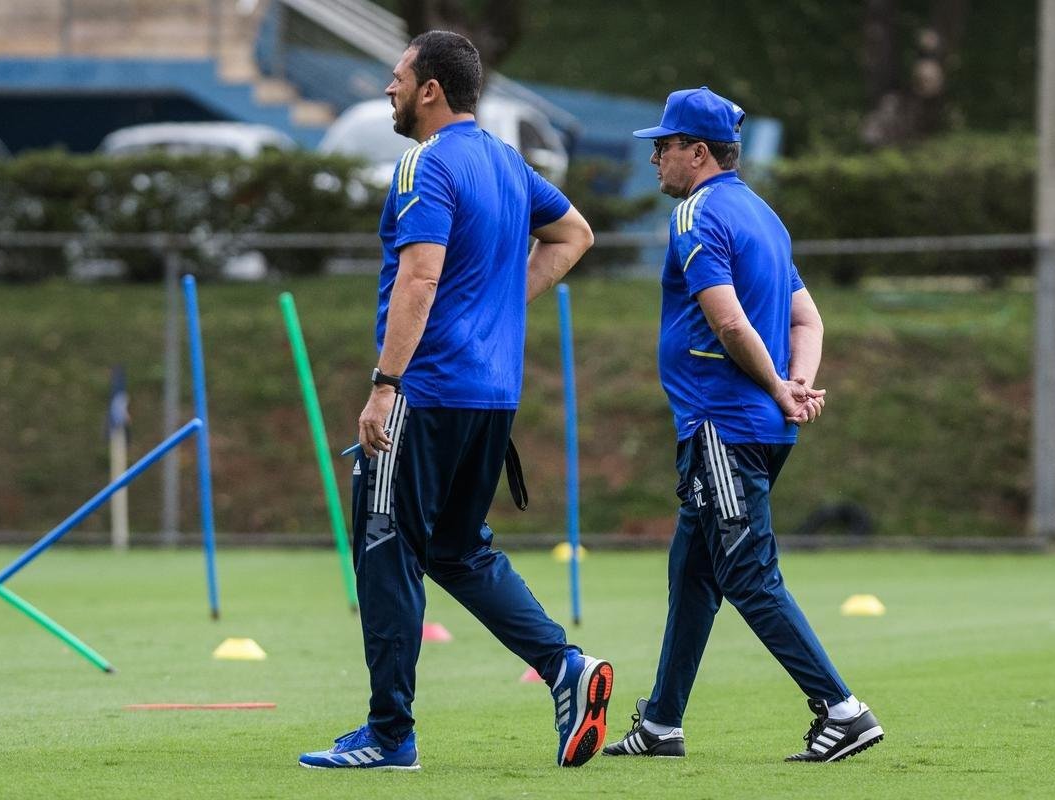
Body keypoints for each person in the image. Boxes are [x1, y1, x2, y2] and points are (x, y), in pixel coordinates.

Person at [298, 31, 613, 771]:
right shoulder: (508, 164)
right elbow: (574, 234)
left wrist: (384, 387)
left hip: (426, 390)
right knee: (457, 549)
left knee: (386, 551)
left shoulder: (425, 164)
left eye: (397, 78)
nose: (388, 90)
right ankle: (565, 667)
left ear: (430, 89)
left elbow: (419, 280)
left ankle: (388, 735)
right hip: (490, 395)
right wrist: (499, 308)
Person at [601, 87, 883, 764]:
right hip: (757, 424)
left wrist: (779, 390)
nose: (655, 160)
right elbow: (807, 320)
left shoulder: (697, 215)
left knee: (747, 572)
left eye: (663, 147)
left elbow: (728, 321)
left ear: (696, 153)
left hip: (722, 425)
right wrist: (796, 385)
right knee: (693, 573)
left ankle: (842, 711)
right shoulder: (763, 215)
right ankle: (662, 723)